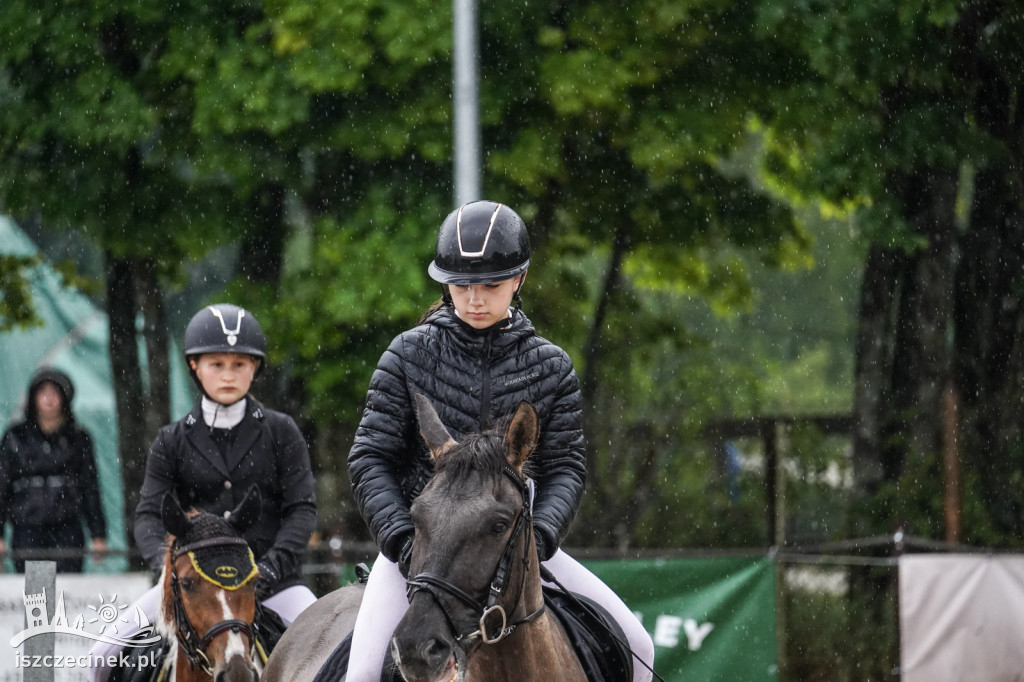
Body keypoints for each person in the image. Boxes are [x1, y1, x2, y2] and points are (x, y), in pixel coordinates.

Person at [346, 200, 655, 681]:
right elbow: (370, 458)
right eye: (462, 285)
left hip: (515, 544)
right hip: (423, 551)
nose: (473, 299)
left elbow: (566, 466)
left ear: (519, 279)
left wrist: (543, 534)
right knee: (362, 675)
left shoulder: (551, 366)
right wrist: (406, 543)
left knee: (638, 646)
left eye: (490, 285)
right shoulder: (406, 355)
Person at [89, 304, 318, 682]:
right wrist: (167, 572)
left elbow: (302, 511)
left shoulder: (281, 431)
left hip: (271, 583)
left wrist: (271, 567)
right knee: (102, 654)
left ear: (254, 368)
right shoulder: (172, 439)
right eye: (217, 364)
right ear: (194, 366)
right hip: (191, 586)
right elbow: (148, 515)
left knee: (341, 651)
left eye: (240, 365)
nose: (229, 375)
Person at [0, 368, 107, 572]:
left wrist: (98, 534)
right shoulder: (15, 437)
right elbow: (2, 486)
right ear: (33, 398)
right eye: (43, 392)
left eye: (55, 393)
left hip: (68, 530)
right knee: (37, 596)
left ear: (65, 398)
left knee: (67, 596)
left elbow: (90, 487)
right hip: (27, 531)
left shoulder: (79, 438)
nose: (49, 399)